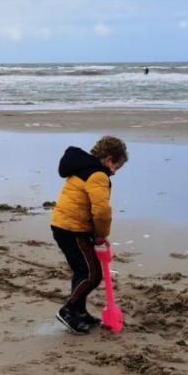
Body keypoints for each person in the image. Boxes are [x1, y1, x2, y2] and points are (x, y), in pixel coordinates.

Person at [50, 135, 128, 334]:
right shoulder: (98, 175)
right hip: (72, 229)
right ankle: (68, 310)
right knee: (92, 275)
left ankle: (80, 311)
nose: (115, 173)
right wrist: (101, 234)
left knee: (81, 271)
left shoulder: (81, 168)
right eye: (116, 167)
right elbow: (101, 211)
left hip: (63, 225)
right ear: (109, 159)